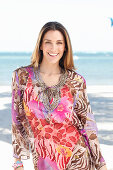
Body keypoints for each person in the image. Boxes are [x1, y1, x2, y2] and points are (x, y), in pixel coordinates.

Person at [11, 21, 107, 170]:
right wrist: (18, 161)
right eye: (48, 42)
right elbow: (17, 119)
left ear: (65, 47)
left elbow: (88, 125)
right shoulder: (21, 77)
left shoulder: (76, 81)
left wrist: (101, 164)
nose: (54, 48)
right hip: (44, 161)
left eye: (59, 43)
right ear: (40, 45)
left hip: (78, 157)